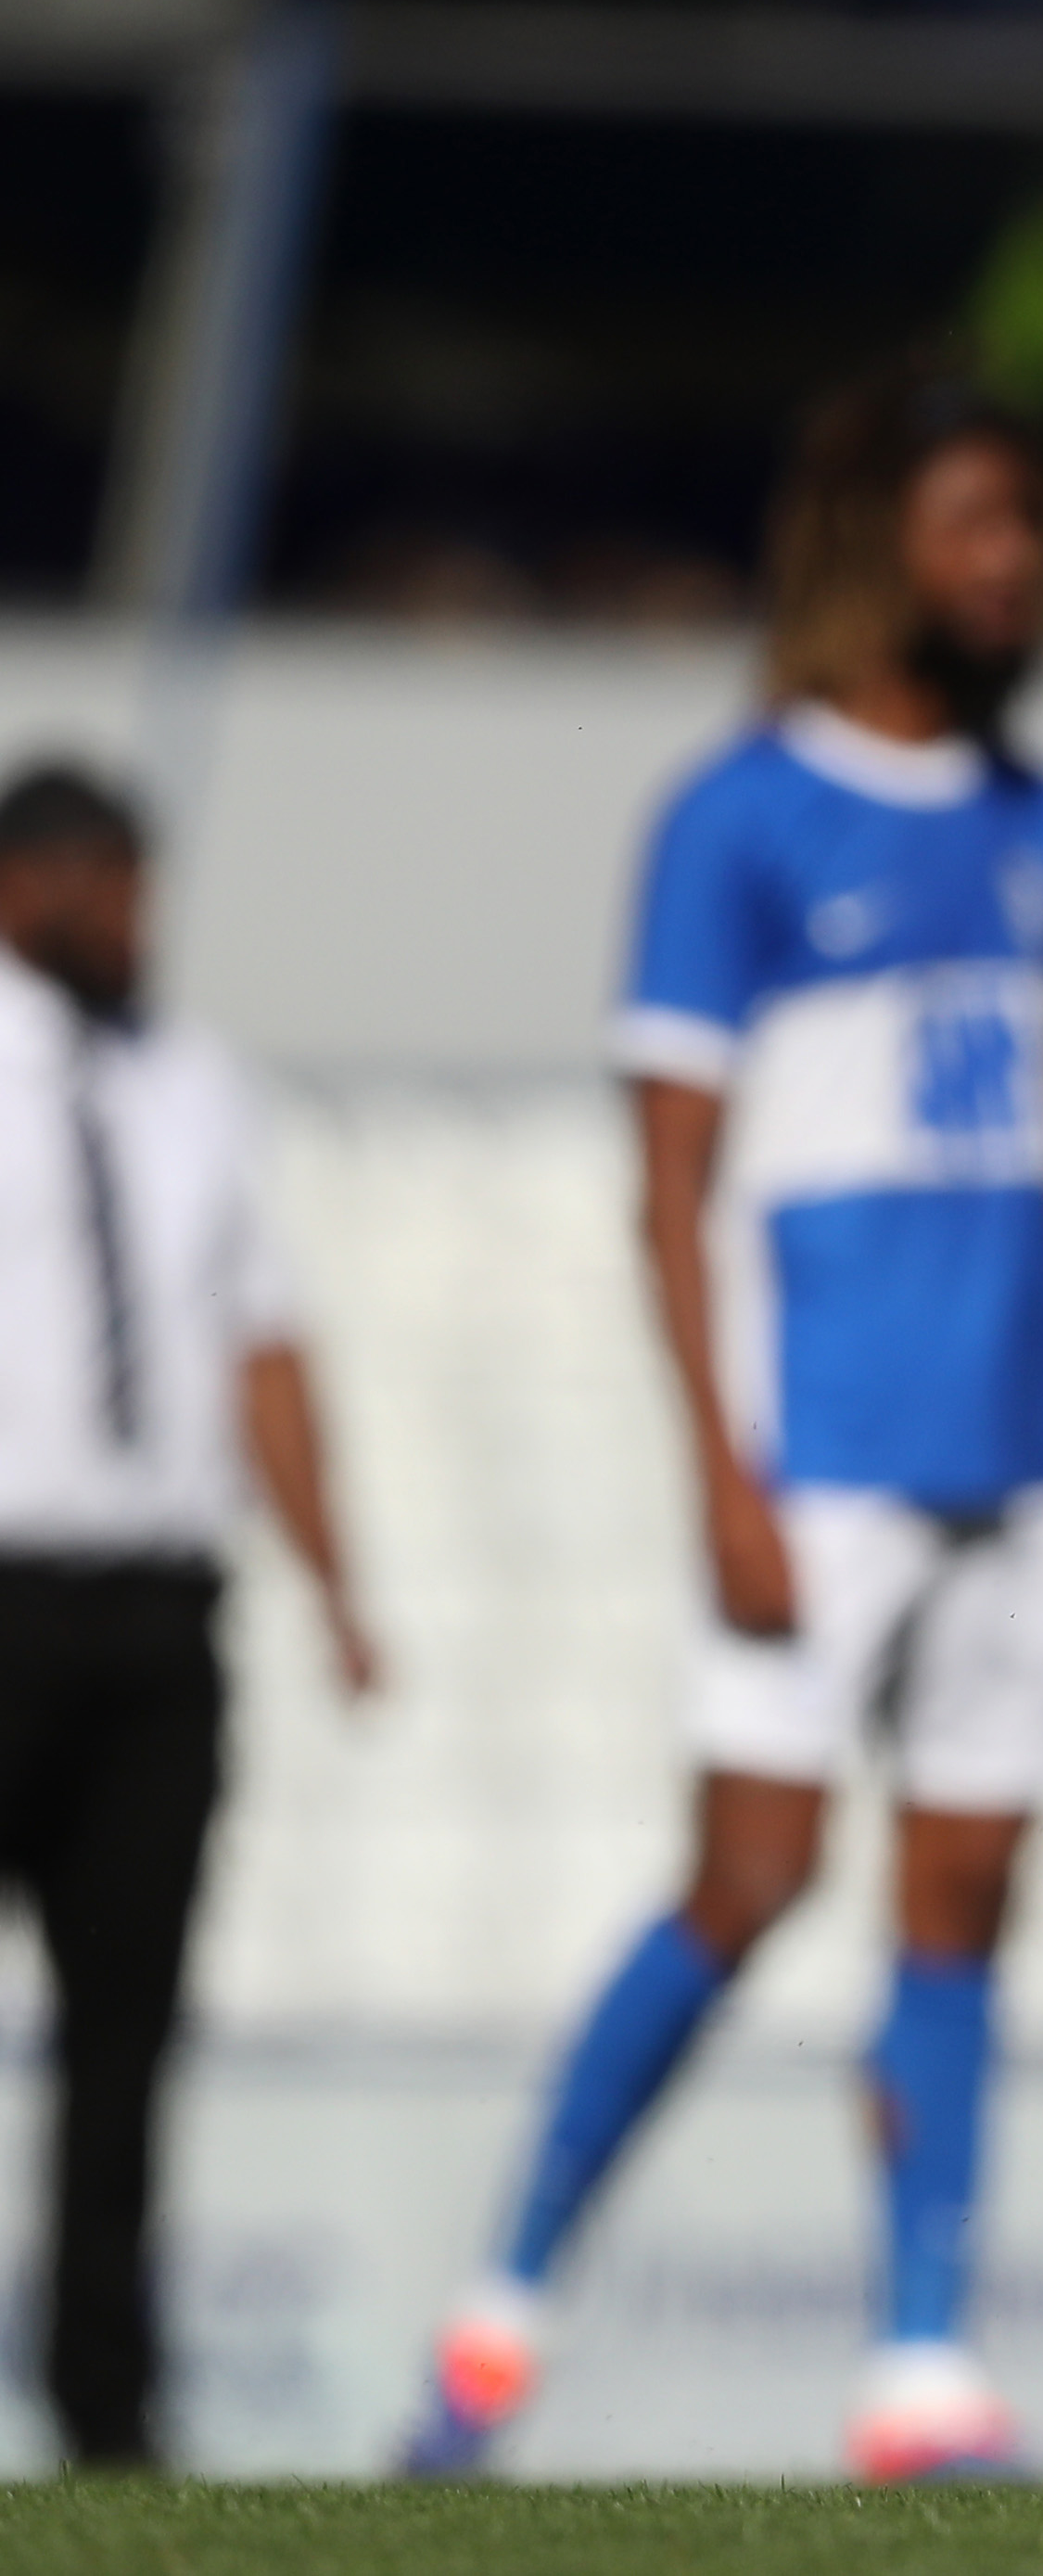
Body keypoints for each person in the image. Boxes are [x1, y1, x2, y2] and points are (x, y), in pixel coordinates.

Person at [403, 365, 1043, 2483]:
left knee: (966, 1890)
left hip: (1021, 1447)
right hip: (828, 1444)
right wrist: (722, 1462)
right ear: (878, 542)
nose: (1013, 564)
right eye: (976, 522)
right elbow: (667, 1180)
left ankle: (921, 2367)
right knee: (750, 1871)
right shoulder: (740, 817)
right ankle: (497, 2313)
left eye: (1029, 528)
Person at [0, 761, 376, 2469]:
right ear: (36, 882)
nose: (133, 917)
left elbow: (262, 1341)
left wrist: (337, 1581)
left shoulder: (195, 1085)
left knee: (129, 2031)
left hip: (157, 1624)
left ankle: (108, 2409)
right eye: (106, 880)